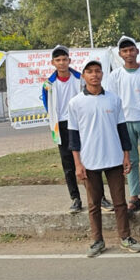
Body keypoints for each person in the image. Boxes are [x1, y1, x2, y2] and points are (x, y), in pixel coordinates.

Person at [67, 60, 140, 258]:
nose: (94, 75)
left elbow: (122, 130)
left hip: (114, 158)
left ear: (102, 74)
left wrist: (126, 156)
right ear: (84, 76)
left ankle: (125, 237)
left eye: (98, 71)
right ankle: (97, 240)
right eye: (90, 72)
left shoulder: (114, 100)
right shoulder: (75, 103)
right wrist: (78, 164)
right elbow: (73, 137)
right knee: (94, 204)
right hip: (89, 161)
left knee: (119, 202)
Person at [42, 45, 112, 214]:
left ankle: (99, 197)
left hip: (82, 124)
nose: (61, 63)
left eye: (64, 59)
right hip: (61, 125)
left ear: (69, 60)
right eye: (58, 60)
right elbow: (47, 104)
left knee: (90, 162)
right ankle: (75, 198)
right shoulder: (48, 84)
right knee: (68, 165)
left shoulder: (79, 78)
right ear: (52, 63)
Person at [106, 36, 140, 213]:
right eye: (124, 51)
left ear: (137, 51)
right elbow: (113, 103)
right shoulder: (115, 76)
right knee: (130, 160)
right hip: (125, 123)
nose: (128, 53)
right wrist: (116, 127)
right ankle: (134, 196)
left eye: (131, 50)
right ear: (120, 54)